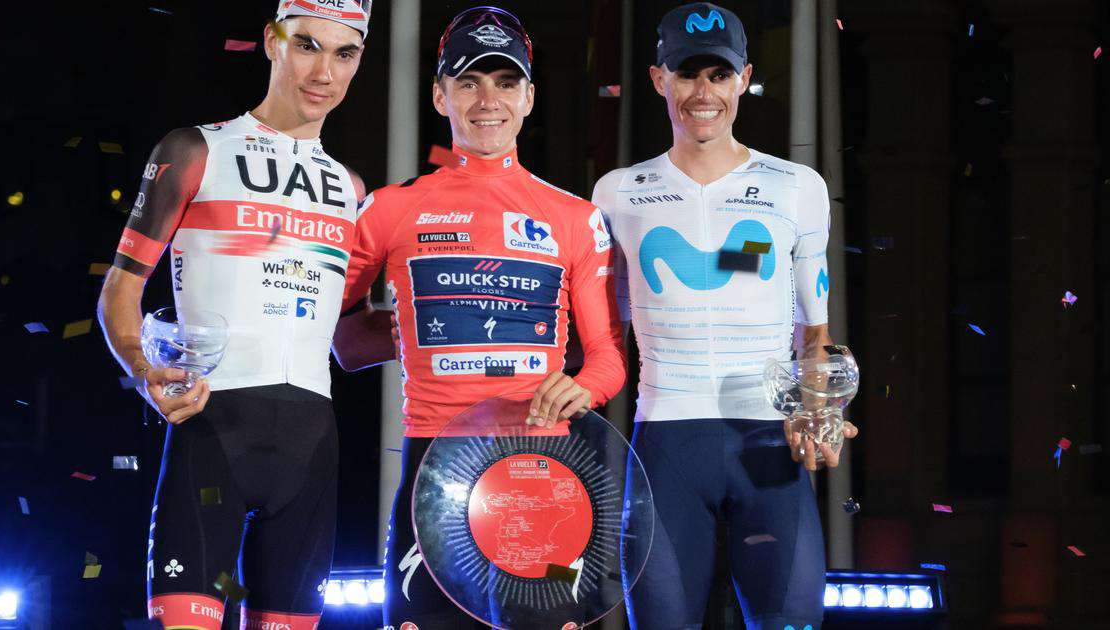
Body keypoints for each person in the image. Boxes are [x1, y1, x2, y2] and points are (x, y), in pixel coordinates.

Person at [331, 6, 626, 628]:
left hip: (542, 470)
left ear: (528, 98)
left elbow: (607, 357)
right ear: (440, 96)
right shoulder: (388, 209)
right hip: (433, 469)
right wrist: (398, 331)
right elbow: (331, 331)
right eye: (468, 82)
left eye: (505, 82)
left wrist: (586, 387)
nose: (487, 100)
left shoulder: (575, 217)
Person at [97, 1, 372, 628]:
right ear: (271, 42)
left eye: (344, 53)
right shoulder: (196, 149)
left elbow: (346, 338)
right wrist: (142, 368)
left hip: (312, 446)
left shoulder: (352, 189)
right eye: (306, 45)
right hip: (210, 430)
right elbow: (120, 288)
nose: (323, 72)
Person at [592, 4, 859, 629]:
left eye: (719, 74)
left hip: (767, 447)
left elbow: (816, 335)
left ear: (744, 79)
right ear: (659, 79)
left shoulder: (797, 185)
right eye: (687, 74)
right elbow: (604, 339)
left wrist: (821, 411)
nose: (703, 93)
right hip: (665, 444)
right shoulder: (618, 192)